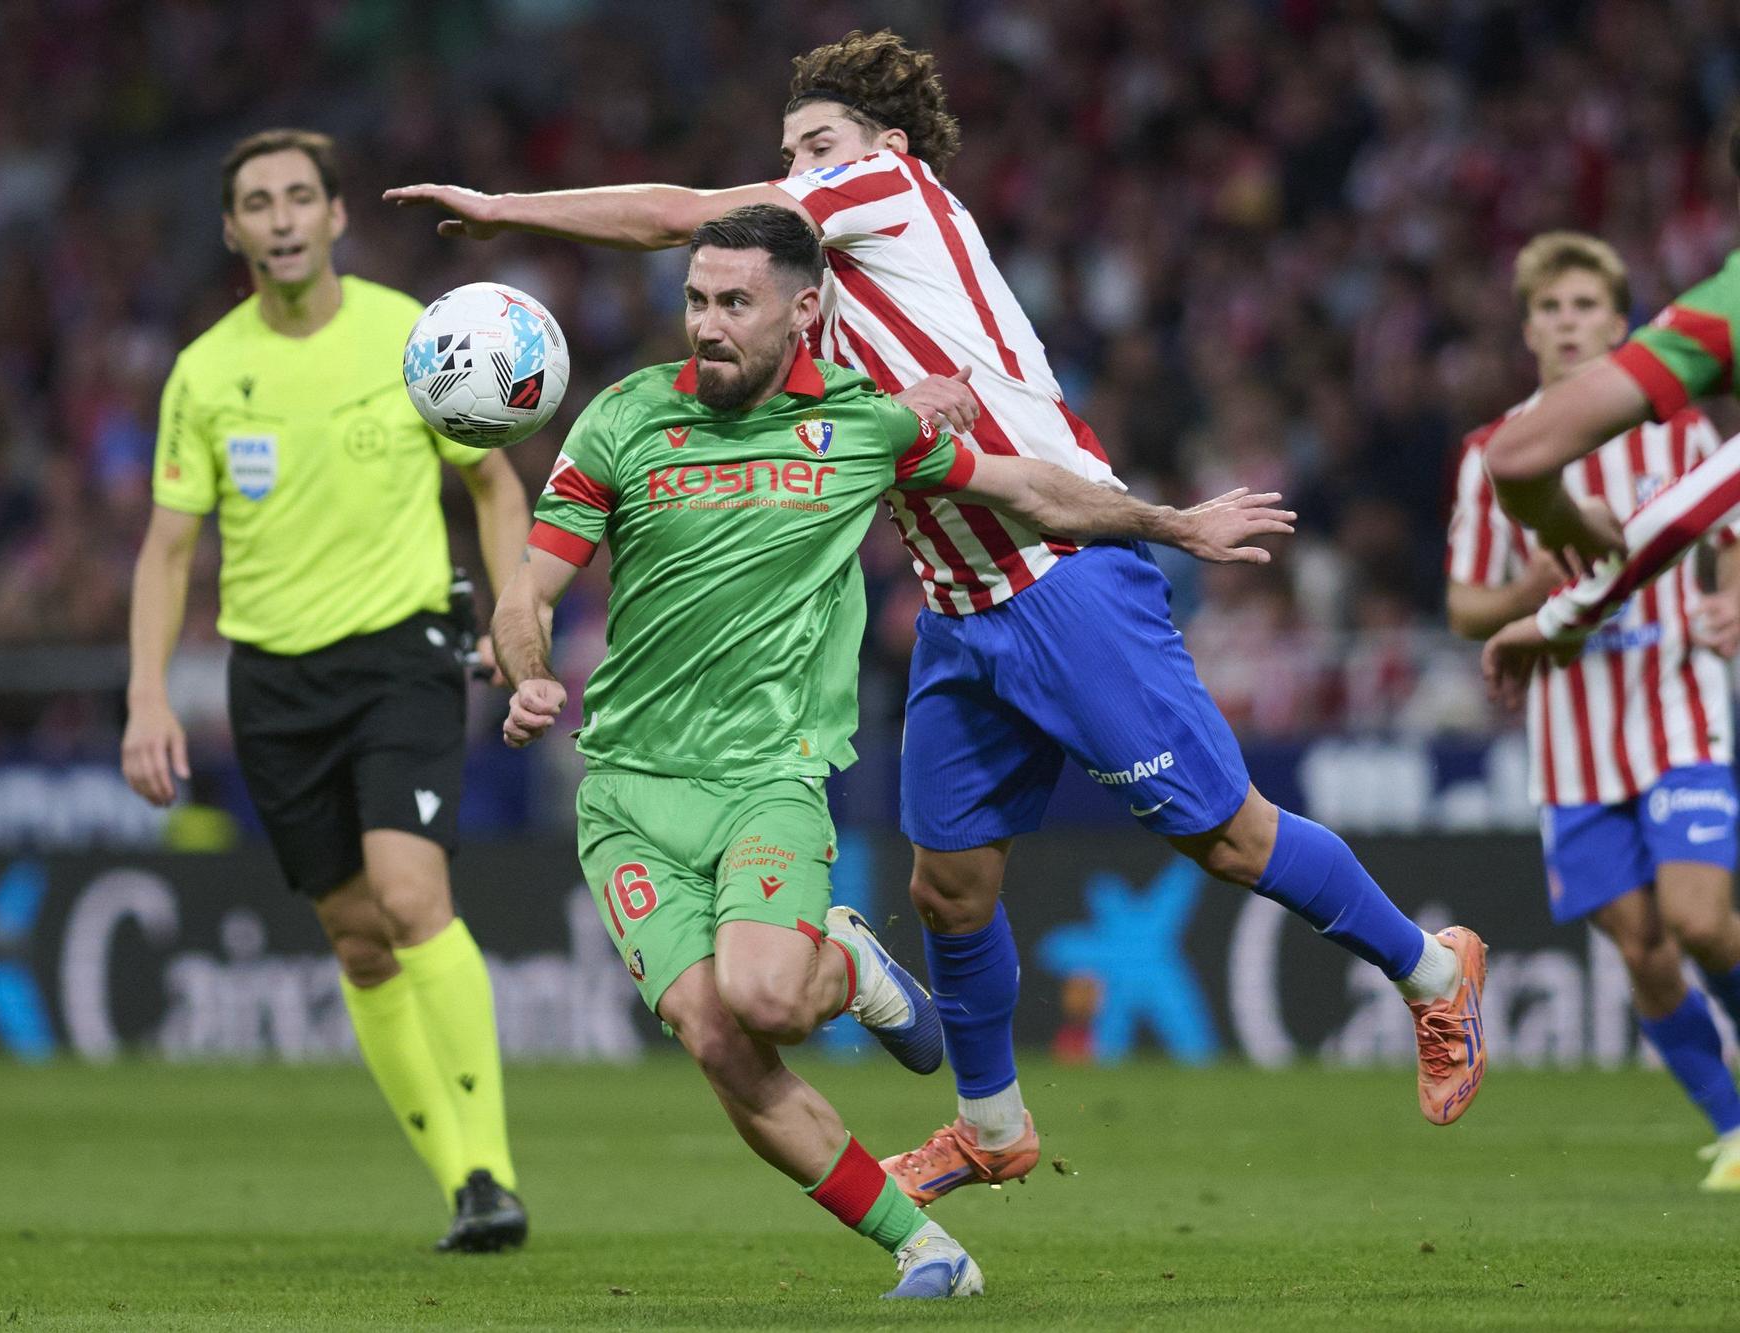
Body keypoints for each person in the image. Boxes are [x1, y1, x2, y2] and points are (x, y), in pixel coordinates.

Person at [391, 28, 1489, 1201]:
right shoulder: (815, 307)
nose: (800, 166)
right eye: (788, 151)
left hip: (1059, 570)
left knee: (1224, 838)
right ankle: (992, 1123)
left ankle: (1431, 971)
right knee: (946, 886)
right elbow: (818, 406)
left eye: (817, 142)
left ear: (886, 148)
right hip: (960, 607)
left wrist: (506, 207)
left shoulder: (887, 193)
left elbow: (690, 217)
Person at [493, 202, 1291, 1299]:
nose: (707, 325)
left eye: (735, 302)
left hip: (766, 778)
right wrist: (530, 669)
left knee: (767, 1000)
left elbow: (1029, 488)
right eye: (694, 299)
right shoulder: (623, 419)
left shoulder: (867, 427)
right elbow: (526, 589)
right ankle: (925, 1247)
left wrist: (1172, 523)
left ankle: (852, 961)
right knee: (718, 1040)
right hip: (626, 791)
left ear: (804, 309)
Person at [119, 129, 532, 1250]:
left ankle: (493, 1164)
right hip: (271, 681)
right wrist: (147, 697)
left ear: (337, 215)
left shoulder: (411, 335)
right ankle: (463, 1185)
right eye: (259, 202)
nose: (283, 216)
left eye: (302, 196)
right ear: (233, 230)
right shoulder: (206, 371)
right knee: (355, 939)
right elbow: (165, 550)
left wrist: (510, 607)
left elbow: (495, 487)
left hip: (400, 654)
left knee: (409, 897)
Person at [1449, 233, 1740, 1192]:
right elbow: (1464, 608)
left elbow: (1728, 536)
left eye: (1587, 307)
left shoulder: (1682, 431)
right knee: (1642, 946)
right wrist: (1528, 587)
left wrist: (1733, 592)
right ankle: (1734, 1131)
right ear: (1529, 327)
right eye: (1552, 308)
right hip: (1572, 743)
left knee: (1701, 922)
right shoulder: (1496, 455)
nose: (1569, 322)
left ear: (1622, 325)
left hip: (1677, 706)